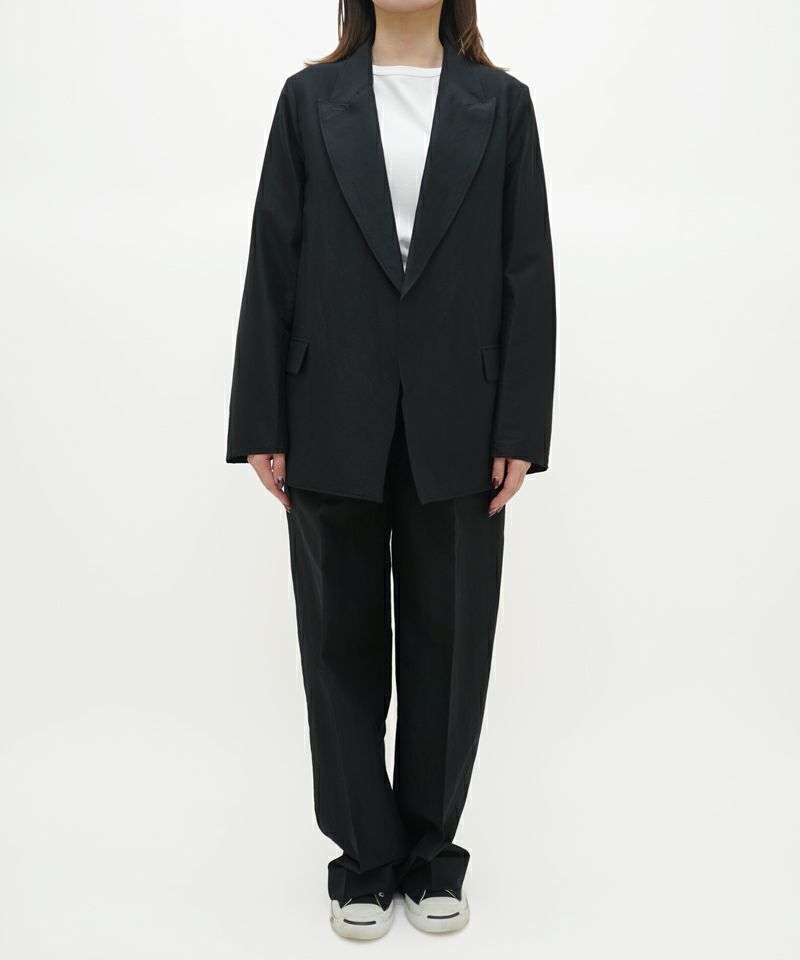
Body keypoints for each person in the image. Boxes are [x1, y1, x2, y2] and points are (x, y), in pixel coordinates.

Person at [226, 0, 555, 940]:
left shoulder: (503, 105)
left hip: (463, 417)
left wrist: (520, 426)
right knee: (339, 642)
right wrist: (261, 418)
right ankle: (364, 860)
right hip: (328, 405)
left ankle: (429, 853)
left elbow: (526, 269)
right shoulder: (308, 102)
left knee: (452, 641)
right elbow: (273, 258)